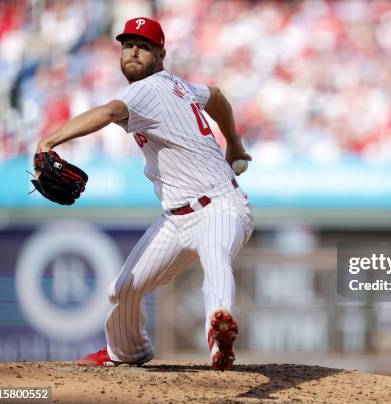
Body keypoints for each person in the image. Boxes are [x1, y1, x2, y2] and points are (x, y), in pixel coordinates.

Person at [34, 17, 254, 370]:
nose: (134, 51)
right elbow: (215, 96)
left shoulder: (145, 89)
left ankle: (219, 330)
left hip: (221, 206)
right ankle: (126, 351)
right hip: (177, 218)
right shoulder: (177, 85)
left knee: (216, 258)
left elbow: (108, 112)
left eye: (144, 46)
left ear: (161, 54)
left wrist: (50, 140)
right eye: (127, 45)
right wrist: (236, 142)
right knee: (123, 290)